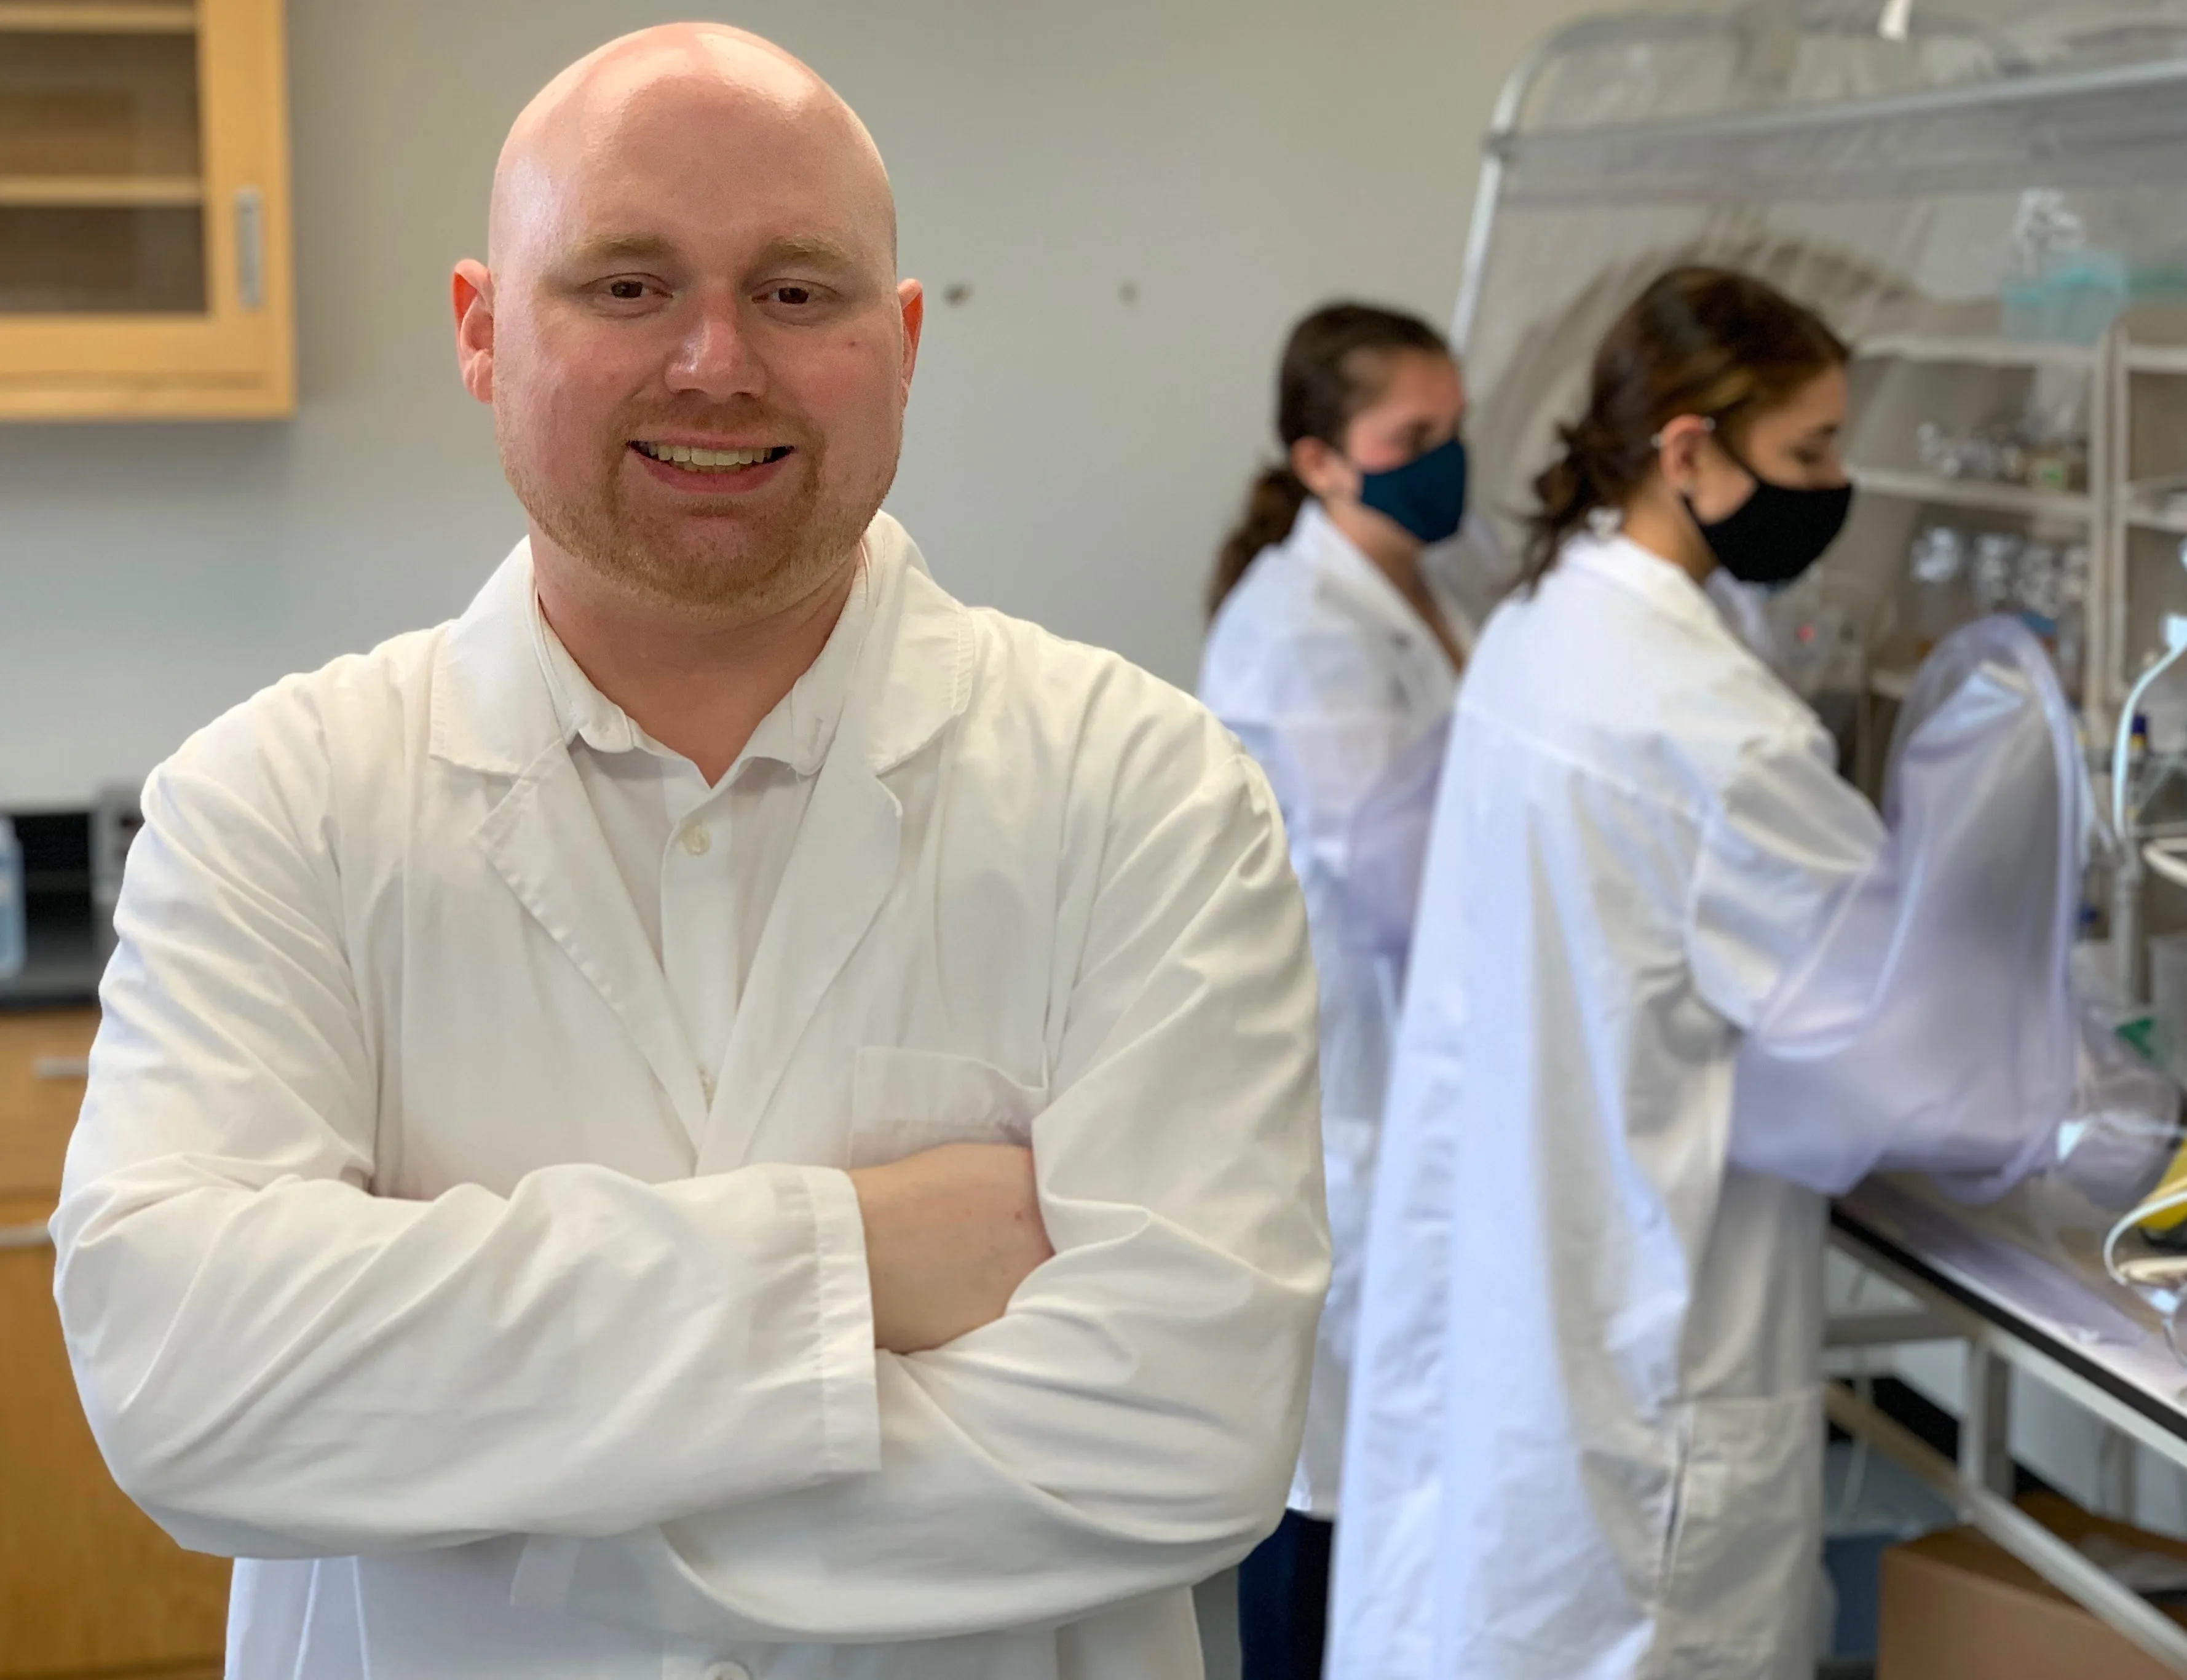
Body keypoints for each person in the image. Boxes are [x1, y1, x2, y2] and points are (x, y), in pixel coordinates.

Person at [51, 26, 1329, 1680]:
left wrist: (497, 1488)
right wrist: (853, 1258)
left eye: (798, 291)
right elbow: (190, 1382)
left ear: (904, 339)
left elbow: (1185, 1428)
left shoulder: (1146, 794)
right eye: (627, 284)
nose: (717, 360)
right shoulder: (275, 804)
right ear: (481, 329)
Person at [1329, 265, 2066, 1680]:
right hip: (1637, 1342)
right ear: (1686, 453)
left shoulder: (1548, 628)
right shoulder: (1710, 729)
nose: (1833, 482)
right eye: (1809, 453)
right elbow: (1919, 1046)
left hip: (1522, 1294)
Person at [1197, 303, 1473, 1680]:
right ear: (1319, 459)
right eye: (1409, 440)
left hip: (1411, 1081)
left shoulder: (1418, 588)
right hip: (1349, 1095)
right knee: (1322, 1486)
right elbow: (1403, 882)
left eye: (1452, 431)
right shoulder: (1302, 628)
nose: (1444, 463)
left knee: (1386, 1468)